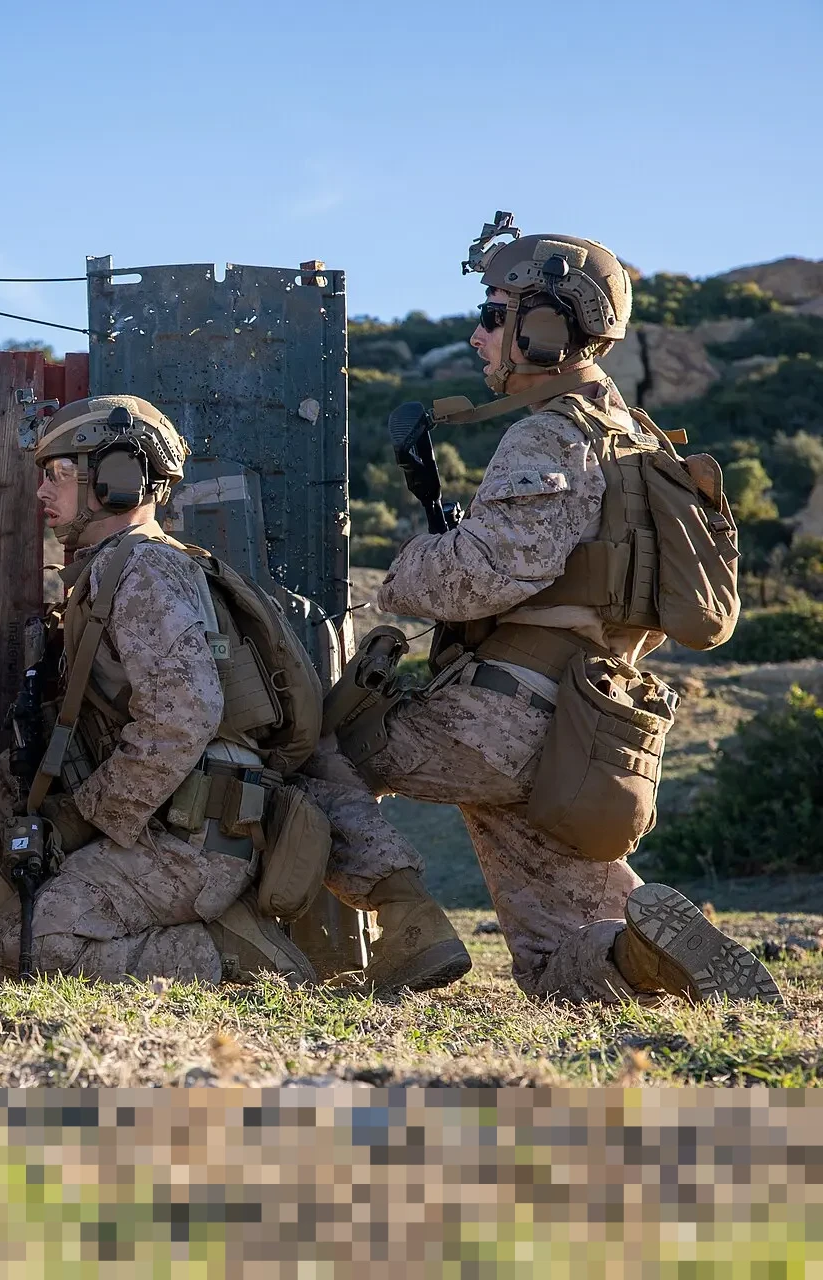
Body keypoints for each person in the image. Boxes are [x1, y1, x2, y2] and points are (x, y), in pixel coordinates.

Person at [334, 214, 780, 1005]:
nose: (478, 337)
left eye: (492, 316)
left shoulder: (553, 435)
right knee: (555, 963)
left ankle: (407, 921)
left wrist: (399, 574)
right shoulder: (638, 438)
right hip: (588, 734)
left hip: (498, 720)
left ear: (543, 332)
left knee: (310, 757)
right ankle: (650, 958)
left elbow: (491, 571)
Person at [0, 395, 402, 988]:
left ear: (117, 481)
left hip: (188, 840)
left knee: (12, 957)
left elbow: (183, 715)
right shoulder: (123, 569)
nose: (42, 492)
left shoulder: (144, 572)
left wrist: (87, 818)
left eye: (59, 474)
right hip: (172, 828)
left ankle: (235, 957)